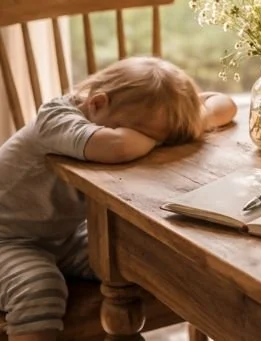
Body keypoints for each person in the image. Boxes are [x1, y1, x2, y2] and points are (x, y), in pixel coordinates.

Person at [0, 56, 237, 341]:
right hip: (8, 239)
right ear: (97, 103)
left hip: (63, 235)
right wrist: (163, 138)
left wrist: (199, 119)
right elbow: (118, 147)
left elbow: (226, 105)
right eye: (142, 134)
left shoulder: (130, 113)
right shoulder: (54, 119)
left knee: (135, 255)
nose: (150, 143)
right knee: (39, 287)